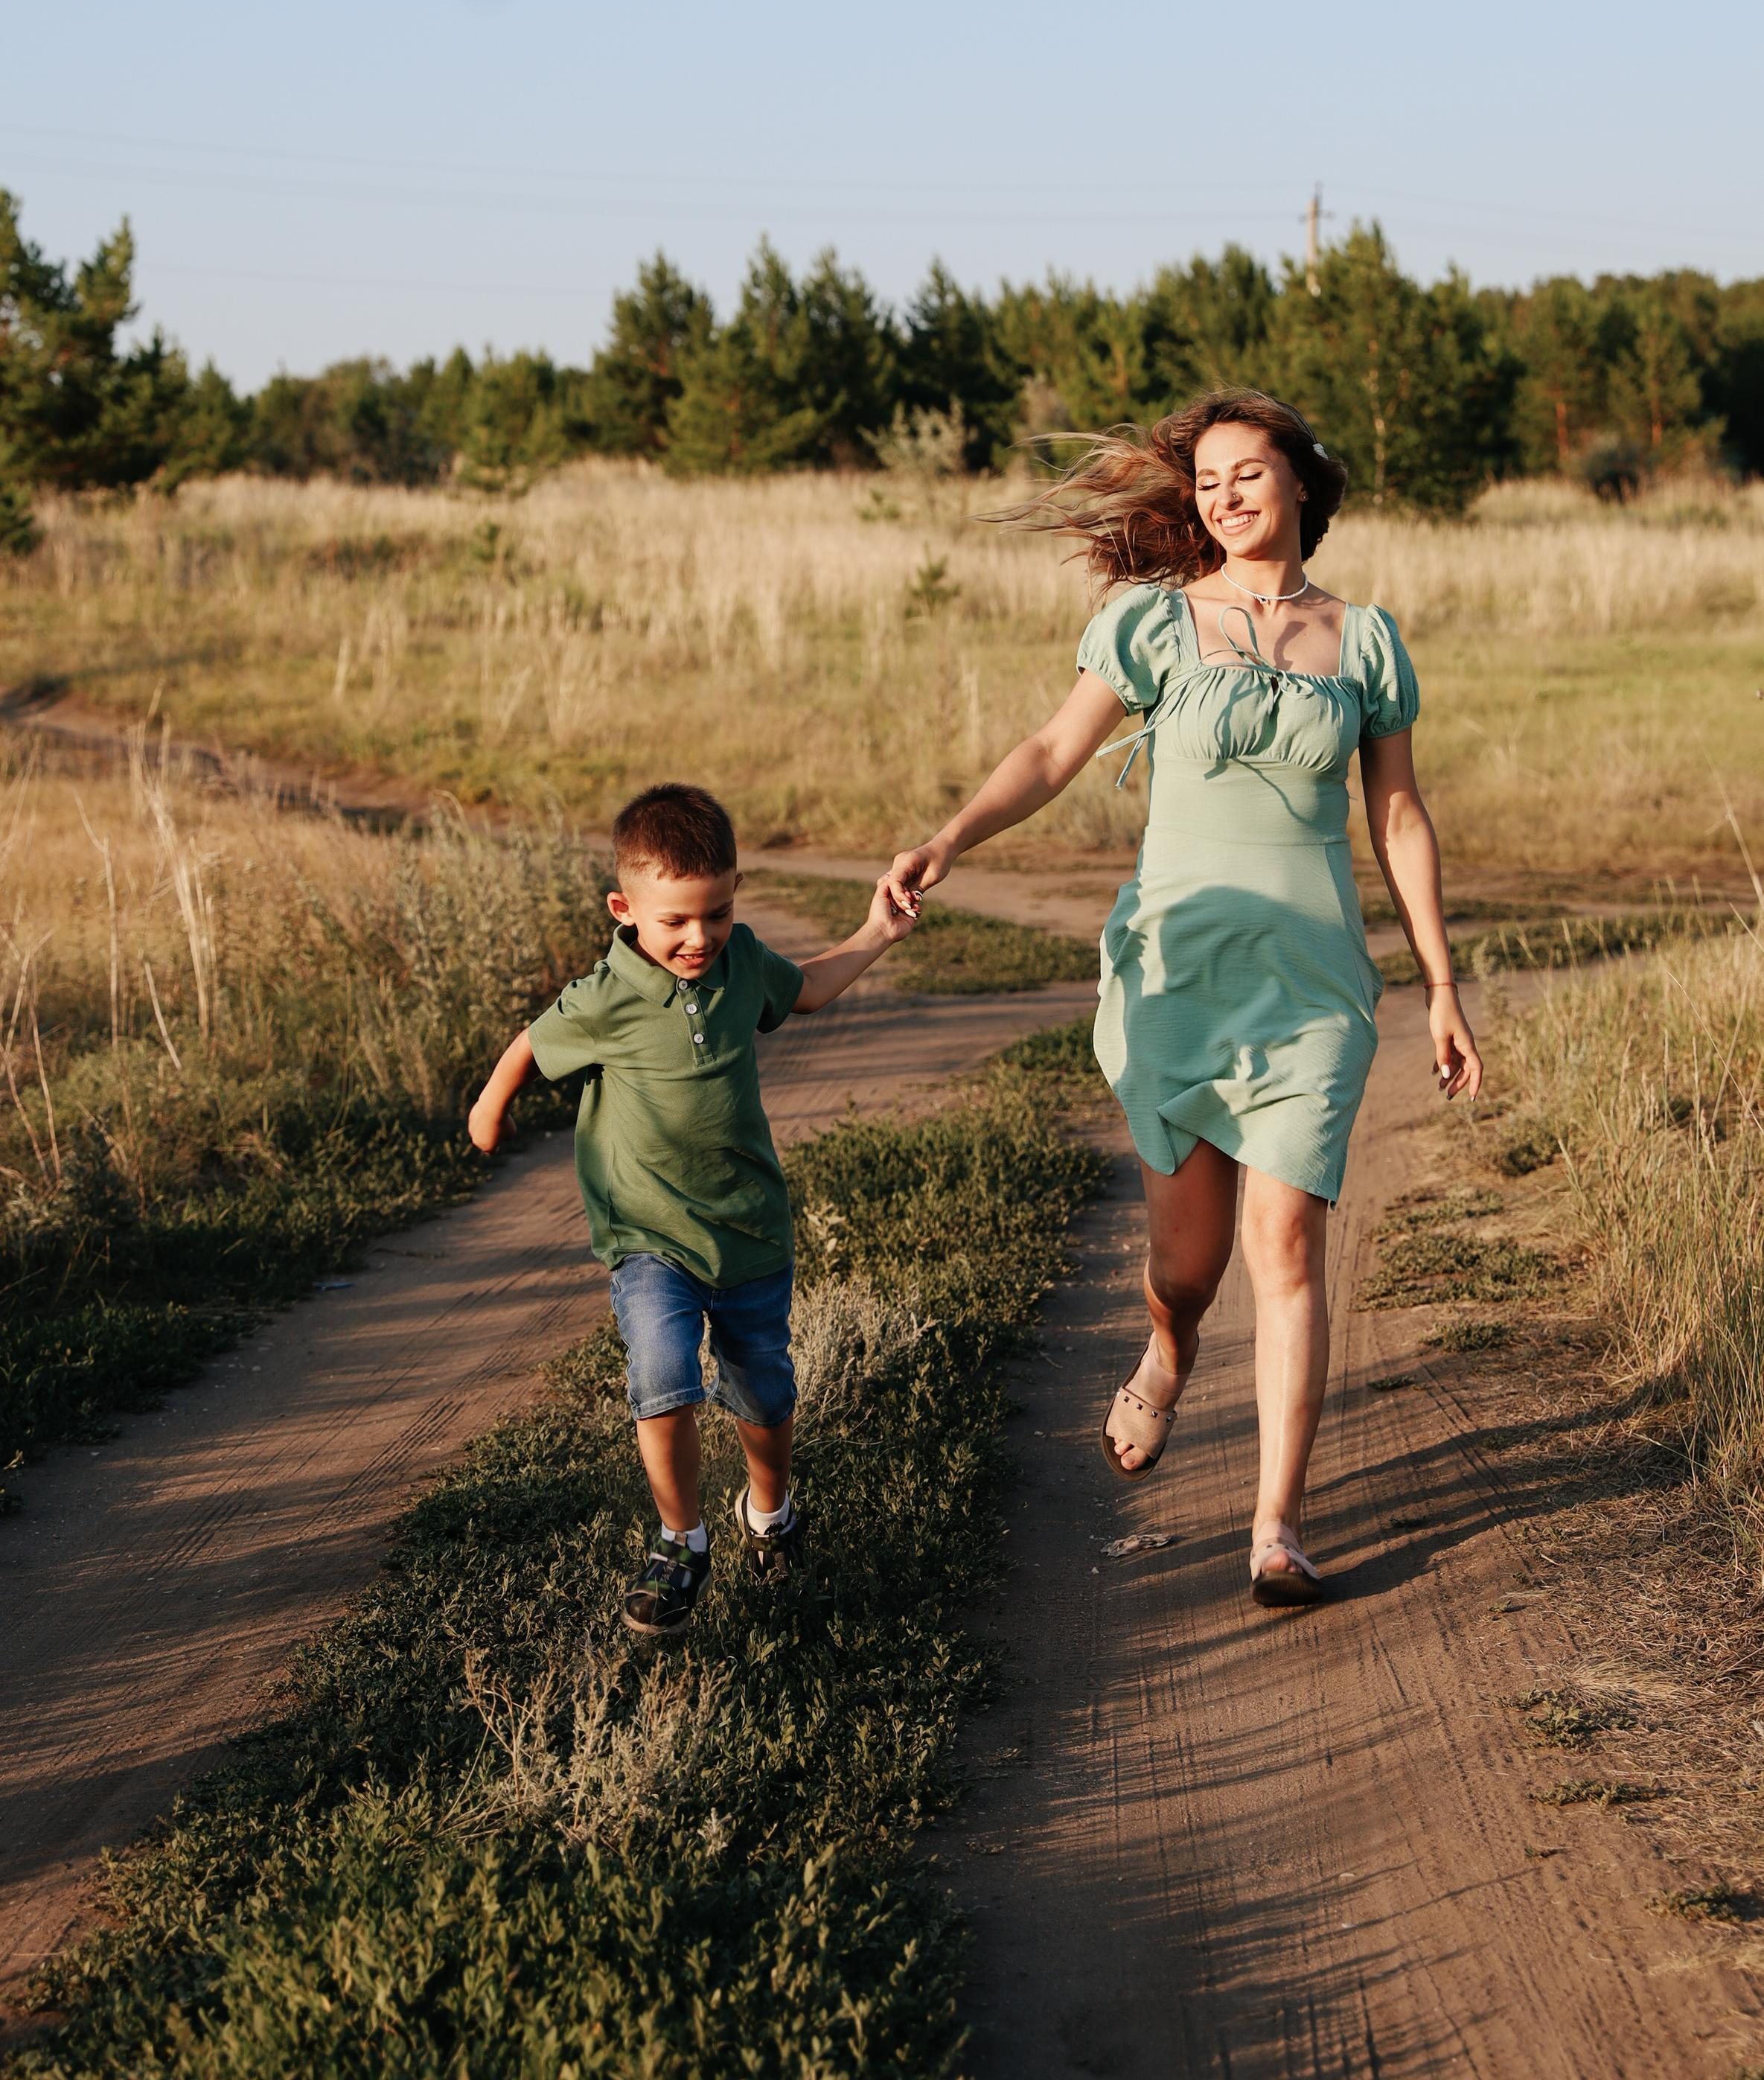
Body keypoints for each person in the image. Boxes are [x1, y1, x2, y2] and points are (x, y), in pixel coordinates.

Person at [884, 389, 1482, 1609]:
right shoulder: (1152, 623)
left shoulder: (1365, 641)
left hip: (1312, 987)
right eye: (1206, 481)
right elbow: (1053, 751)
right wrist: (952, 838)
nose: (1225, 498)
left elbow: (1399, 813)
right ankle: (1169, 1345)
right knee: (1190, 1261)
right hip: (1177, 973)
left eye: (1247, 474)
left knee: (1288, 1245)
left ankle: (1276, 1528)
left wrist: (1442, 981)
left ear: (1301, 482)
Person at [469, 780, 914, 1639]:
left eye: (714, 912)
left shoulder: (743, 961)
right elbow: (533, 1041)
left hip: (748, 1230)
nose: (698, 937)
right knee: (662, 1376)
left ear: (734, 893)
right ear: (624, 908)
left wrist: (875, 933)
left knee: (764, 1393)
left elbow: (808, 988)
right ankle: (681, 1540)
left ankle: (771, 1516)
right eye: (674, 920)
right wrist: (491, 1106)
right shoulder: (607, 995)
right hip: (649, 1239)